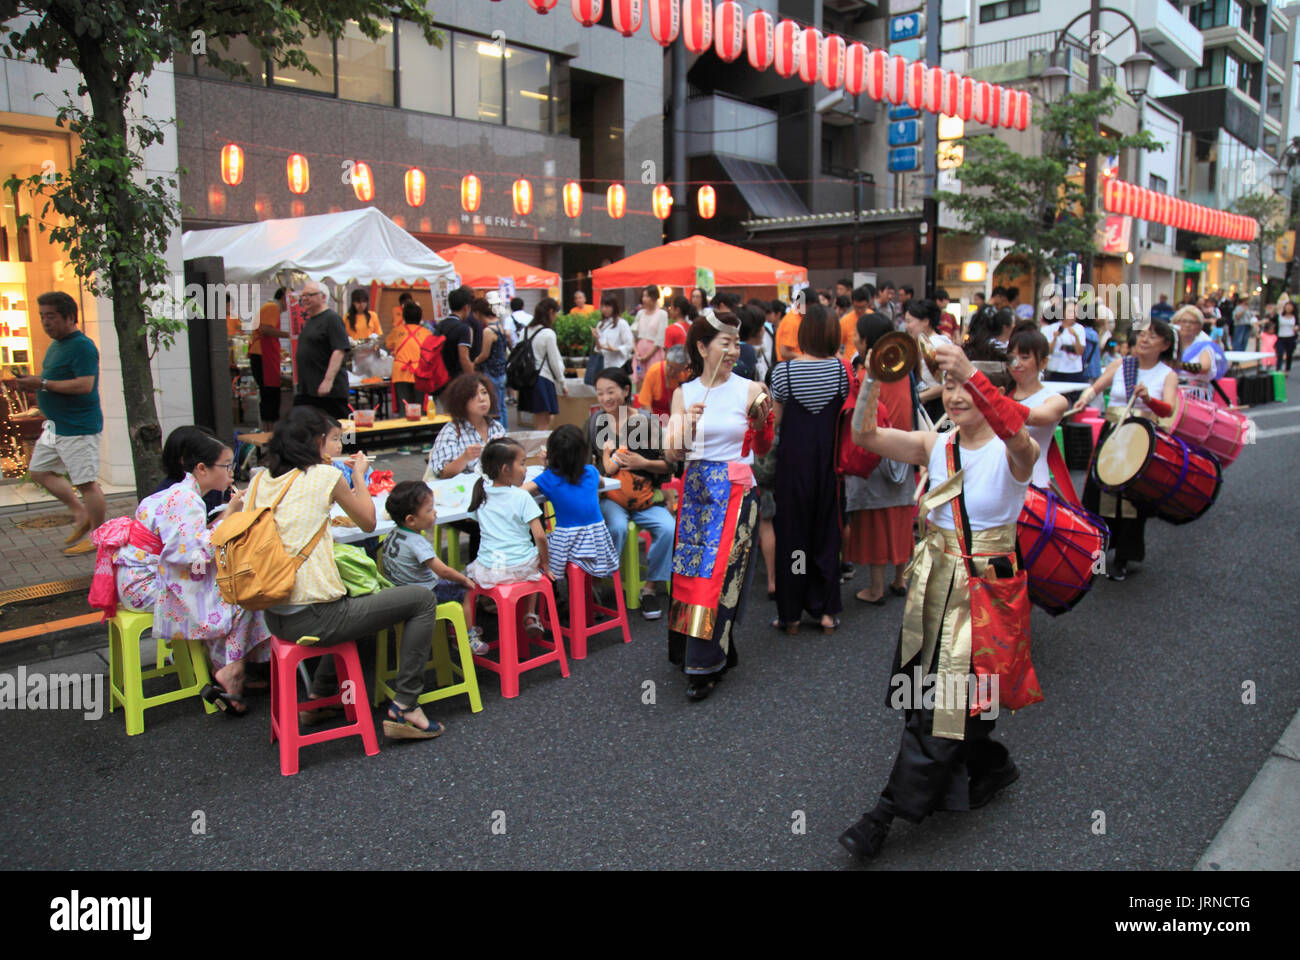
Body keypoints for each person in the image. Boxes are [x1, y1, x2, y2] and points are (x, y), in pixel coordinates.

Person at [839, 340, 1040, 862]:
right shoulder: (938, 445)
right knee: (928, 696)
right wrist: (869, 380)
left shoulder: (1013, 451)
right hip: (934, 584)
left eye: (965, 387)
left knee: (942, 708)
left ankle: (883, 815)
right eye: (948, 385)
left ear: (988, 390)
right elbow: (864, 435)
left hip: (984, 593)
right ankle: (990, 765)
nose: (953, 395)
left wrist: (970, 371)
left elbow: (1021, 441)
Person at [252, 408, 446, 740]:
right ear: (316, 442)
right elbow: (369, 522)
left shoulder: (260, 481)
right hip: (315, 617)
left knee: (355, 594)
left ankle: (319, 697)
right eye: (332, 439)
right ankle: (406, 704)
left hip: (273, 615)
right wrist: (359, 475)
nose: (338, 444)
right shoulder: (325, 476)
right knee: (422, 599)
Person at [663, 311, 774, 701]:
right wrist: (685, 425)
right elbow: (672, 451)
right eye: (724, 343)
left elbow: (762, 448)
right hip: (696, 490)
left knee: (718, 579)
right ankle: (701, 652)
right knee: (690, 573)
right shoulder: (684, 393)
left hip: (735, 490)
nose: (732, 350)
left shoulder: (751, 388)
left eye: (736, 343)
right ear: (701, 347)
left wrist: (763, 426)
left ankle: (705, 665)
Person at [144, 433, 271, 717]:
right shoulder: (187, 500)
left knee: (236, 588)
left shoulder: (184, 494)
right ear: (202, 468)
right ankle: (232, 669)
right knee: (243, 594)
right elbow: (190, 554)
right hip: (154, 581)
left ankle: (228, 667)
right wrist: (231, 515)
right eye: (226, 466)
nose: (231, 472)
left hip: (159, 572)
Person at [1073, 320, 1179, 582]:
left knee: (1132, 500)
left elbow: (1168, 409)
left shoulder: (1167, 374)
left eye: (1152, 337)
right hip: (1113, 434)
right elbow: (1096, 387)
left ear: (1165, 345)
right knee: (1100, 495)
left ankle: (1122, 557)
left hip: (1140, 440)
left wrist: (1147, 399)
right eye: (1142, 334)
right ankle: (1094, 554)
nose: (1144, 339)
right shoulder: (1121, 364)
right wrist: (1085, 398)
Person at [769, 304, 850, 635]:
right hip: (830, 466)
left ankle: (792, 614)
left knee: (794, 539)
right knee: (826, 536)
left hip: (792, 466)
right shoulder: (844, 372)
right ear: (833, 335)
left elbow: (775, 425)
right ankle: (826, 611)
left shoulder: (783, 373)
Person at [6, 292, 105, 556]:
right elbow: (52, 380)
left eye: (50, 316)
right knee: (39, 471)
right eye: (42, 316)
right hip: (56, 426)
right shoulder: (55, 346)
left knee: (87, 483)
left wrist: (41, 383)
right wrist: (36, 382)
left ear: (70, 317)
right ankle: (79, 511)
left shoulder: (82, 346)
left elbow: (85, 385)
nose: (45, 322)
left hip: (78, 426)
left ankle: (99, 537)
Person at [588, 368, 674, 619]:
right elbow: (585, 462)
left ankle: (649, 589)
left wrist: (642, 463)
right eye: (600, 393)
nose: (605, 398)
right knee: (615, 527)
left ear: (626, 391)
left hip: (645, 496)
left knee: (668, 528)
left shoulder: (647, 422)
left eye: (610, 391)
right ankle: (598, 581)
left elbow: (669, 465)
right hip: (611, 498)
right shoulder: (595, 422)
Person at [843, 312, 913, 605]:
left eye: (858, 336)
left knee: (874, 521)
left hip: (877, 453)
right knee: (900, 517)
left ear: (868, 341)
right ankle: (900, 579)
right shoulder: (903, 369)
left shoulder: (866, 374)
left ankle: (875, 589)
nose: (855, 340)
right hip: (906, 448)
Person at [381, 481, 486, 655]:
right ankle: (465, 636)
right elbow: (443, 571)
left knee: (451, 584)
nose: (435, 512)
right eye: (429, 510)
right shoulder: (417, 542)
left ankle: (457, 623)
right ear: (411, 520)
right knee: (463, 590)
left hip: (397, 591)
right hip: (422, 594)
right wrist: (464, 579)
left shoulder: (392, 533)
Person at [465, 437, 553, 639]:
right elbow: (540, 536)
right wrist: (546, 563)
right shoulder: (521, 496)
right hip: (519, 566)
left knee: (475, 567)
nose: (525, 469)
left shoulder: (481, 493)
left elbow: (474, 521)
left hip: (490, 569)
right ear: (506, 469)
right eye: (522, 464)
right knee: (535, 565)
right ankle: (530, 613)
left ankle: (469, 633)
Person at [528, 425, 619, 588]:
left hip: (568, 543)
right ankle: (590, 591)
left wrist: (547, 466)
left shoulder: (548, 478)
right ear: (583, 453)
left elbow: (521, 491)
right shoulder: (591, 472)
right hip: (598, 542)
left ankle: (558, 598)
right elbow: (602, 482)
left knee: (539, 545)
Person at [1007, 321, 1070, 491]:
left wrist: (992, 402)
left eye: (1025, 357)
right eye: (1012, 357)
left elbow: (1034, 417)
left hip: (1035, 485)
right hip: (1000, 482)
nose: (1016, 363)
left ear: (1043, 363)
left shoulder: (1054, 400)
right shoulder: (1004, 394)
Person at [293, 282, 350, 419]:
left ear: (323, 297)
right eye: (303, 296)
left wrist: (328, 380)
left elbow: (339, 350)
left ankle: (350, 442)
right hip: (308, 390)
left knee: (342, 431)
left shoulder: (332, 319)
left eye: (309, 295)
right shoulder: (311, 320)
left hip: (329, 392)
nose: (305, 299)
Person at [519, 297, 567, 430]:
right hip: (543, 379)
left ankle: (540, 447)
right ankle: (542, 449)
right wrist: (562, 382)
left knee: (540, 418)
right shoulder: (548, 334)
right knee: (544, 423)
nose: (556, 317)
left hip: (527, 380)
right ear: (551, 312)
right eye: (556, 313)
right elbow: (554, 361)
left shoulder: (524, 331)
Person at [905, 299, 953, 424]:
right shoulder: (921, 342)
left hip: (938, 408)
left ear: (926, 321)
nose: (906, 326)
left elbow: (945, 384)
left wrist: (918, 398)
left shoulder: (937, 345)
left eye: (909, 321)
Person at [248, 287, 289, 429]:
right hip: (263, 355)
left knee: (269, 394)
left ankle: (268, 429)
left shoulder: (269, 307)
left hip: (263, 355)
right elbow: (265, 329)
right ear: (283, 298)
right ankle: (269, 431)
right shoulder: (272, 307)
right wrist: (289, 334)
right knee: (270, 394)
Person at [433, 285, 477, 412]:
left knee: (447, 418)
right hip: (456, 382)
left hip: (439, 380)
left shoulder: (440, 326)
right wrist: (473, 379)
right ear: (466, 307)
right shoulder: (463, 329)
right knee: (460, 418)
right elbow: (464, 358)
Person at [386, 299, 433, 414]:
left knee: (404, 407)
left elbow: (388, 344)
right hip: (420, 372)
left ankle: (403, 431)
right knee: (420, 406)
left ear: (404, 317)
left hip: (400, 371)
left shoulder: (397, 331)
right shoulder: (426, 332)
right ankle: (421, 430)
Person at [471, 298, 509, 428]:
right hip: (502, 372)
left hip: (492, 373)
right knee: (502, 406)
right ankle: (505, 430)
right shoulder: (500, 326)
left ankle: (498, 433)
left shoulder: (488, 331)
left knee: (494, 407)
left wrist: (475, 361)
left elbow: (485, 354)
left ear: (477, 313)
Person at [1173, 304, 1221, 402]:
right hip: (1171, 392)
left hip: (1195, 395)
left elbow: (1204, 367)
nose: (1187, 325)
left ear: (1199, 327)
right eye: (1183, 321)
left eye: (1192, 322)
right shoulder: (1170, 343)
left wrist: (1178, 365)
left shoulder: (1203, 345)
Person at [589, 294, 635, 385]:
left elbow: (629, 344)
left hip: (618, 364)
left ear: (614, 307)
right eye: (602, 306)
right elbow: (598, 348)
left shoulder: (621, 323)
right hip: (604, 364)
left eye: (607, 306)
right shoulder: (601, 324)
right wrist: (596, 338)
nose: (604, 309)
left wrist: (616, 349)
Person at [637, 344, 690, 420]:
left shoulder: (687, 375)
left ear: (684, 367)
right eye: (669, 367)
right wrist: (655, 425)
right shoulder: (654, 371)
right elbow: (645, 404)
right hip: (655, 419)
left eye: (676, 371)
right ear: (666, 360)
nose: (671, 372)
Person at [1042, 299, 1088, 383]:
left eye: (1076, 312)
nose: (1074, 315)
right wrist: (1055, 338)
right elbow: (1048, 351)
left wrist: (1076, 336)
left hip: (1073, 370)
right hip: (1055, 369)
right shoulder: (1052, 328)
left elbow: (1080, 352)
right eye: (1070, 311)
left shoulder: (1080, 328)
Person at [633, 286, 669, 386]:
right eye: (643, 296)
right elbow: (634, 334)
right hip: (640, 352)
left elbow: (660, 338)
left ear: (654, 297)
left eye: (647, 296)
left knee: (654, 382)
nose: (644, 299)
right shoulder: (640, 313)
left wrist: (647, 356)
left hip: (654, 352)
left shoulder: (662, 314)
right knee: (640, 382)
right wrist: (636, 352)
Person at [735, 304, 764, 381]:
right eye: (762, 325)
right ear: (756, 329)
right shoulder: (747, 351)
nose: (764, 329)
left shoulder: (737, 347)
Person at [1277, 300, 1297, 375]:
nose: (1288, 308)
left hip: (1290, 338)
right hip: (1281, 337)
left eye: (1290, 306)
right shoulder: (1280, 316)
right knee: (1280, 353)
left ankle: (1286, 370)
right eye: (1287, 306)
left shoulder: (1294, 317)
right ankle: (1278, 369)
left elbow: (1297, 325)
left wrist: (1296, 328)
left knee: (1289, 354)